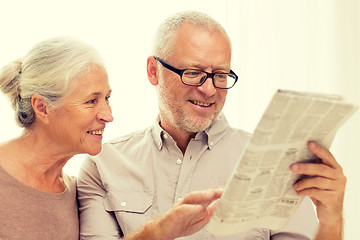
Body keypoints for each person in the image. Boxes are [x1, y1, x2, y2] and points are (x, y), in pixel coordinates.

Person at [77, 11, 346, 240]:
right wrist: (157, 232)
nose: (209, 89)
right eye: (192, 73)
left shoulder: (278, 163)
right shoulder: (103, 164)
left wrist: (331, 220)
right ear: (153, 71)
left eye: (220, 75)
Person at [0, 37, 222, 240]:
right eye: (91, 101)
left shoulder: (73, 192)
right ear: (42, 107)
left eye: (107, 98)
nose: (108, 115)